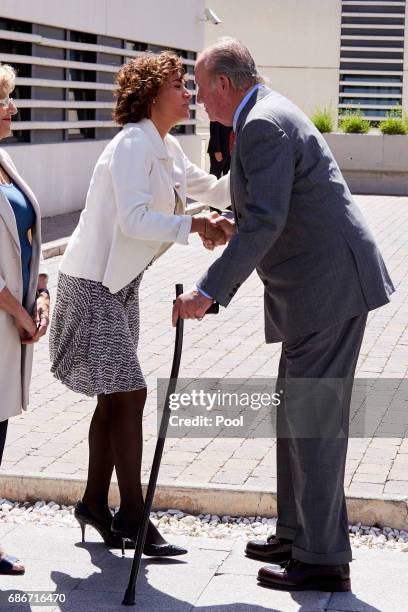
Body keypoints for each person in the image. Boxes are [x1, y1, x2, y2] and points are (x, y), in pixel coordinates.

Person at [173, 38, 395, 592]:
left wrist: (208, 291)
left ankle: (322, 559)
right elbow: (268, 209)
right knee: (294, 415)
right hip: (319, 286)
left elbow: (267, 223)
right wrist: (232, 220)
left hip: (328, 288)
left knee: (313, 424)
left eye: (201, 87)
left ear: (225, 84)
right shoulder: (263, 113)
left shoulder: (259, 125)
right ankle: (297, 532)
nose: (199, 98)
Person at [49, 51, 232, 556]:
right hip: (91, 286)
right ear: (153, 94)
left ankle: (92, 502)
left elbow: (213, 189)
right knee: (130, 394)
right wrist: (196, 225)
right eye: (179, 85)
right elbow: (133, 219)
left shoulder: (166, 147)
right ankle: (132, 515)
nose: (188, 93)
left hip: (119, 285)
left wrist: (257, 161)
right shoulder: (132, 144)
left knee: (115, 396)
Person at [0, 63, 50, 575]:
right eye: (5, 100)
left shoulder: (5, 159)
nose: (12, 108)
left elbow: (32, 234)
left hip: (14, 322)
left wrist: (41, 294)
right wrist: (18, 311)